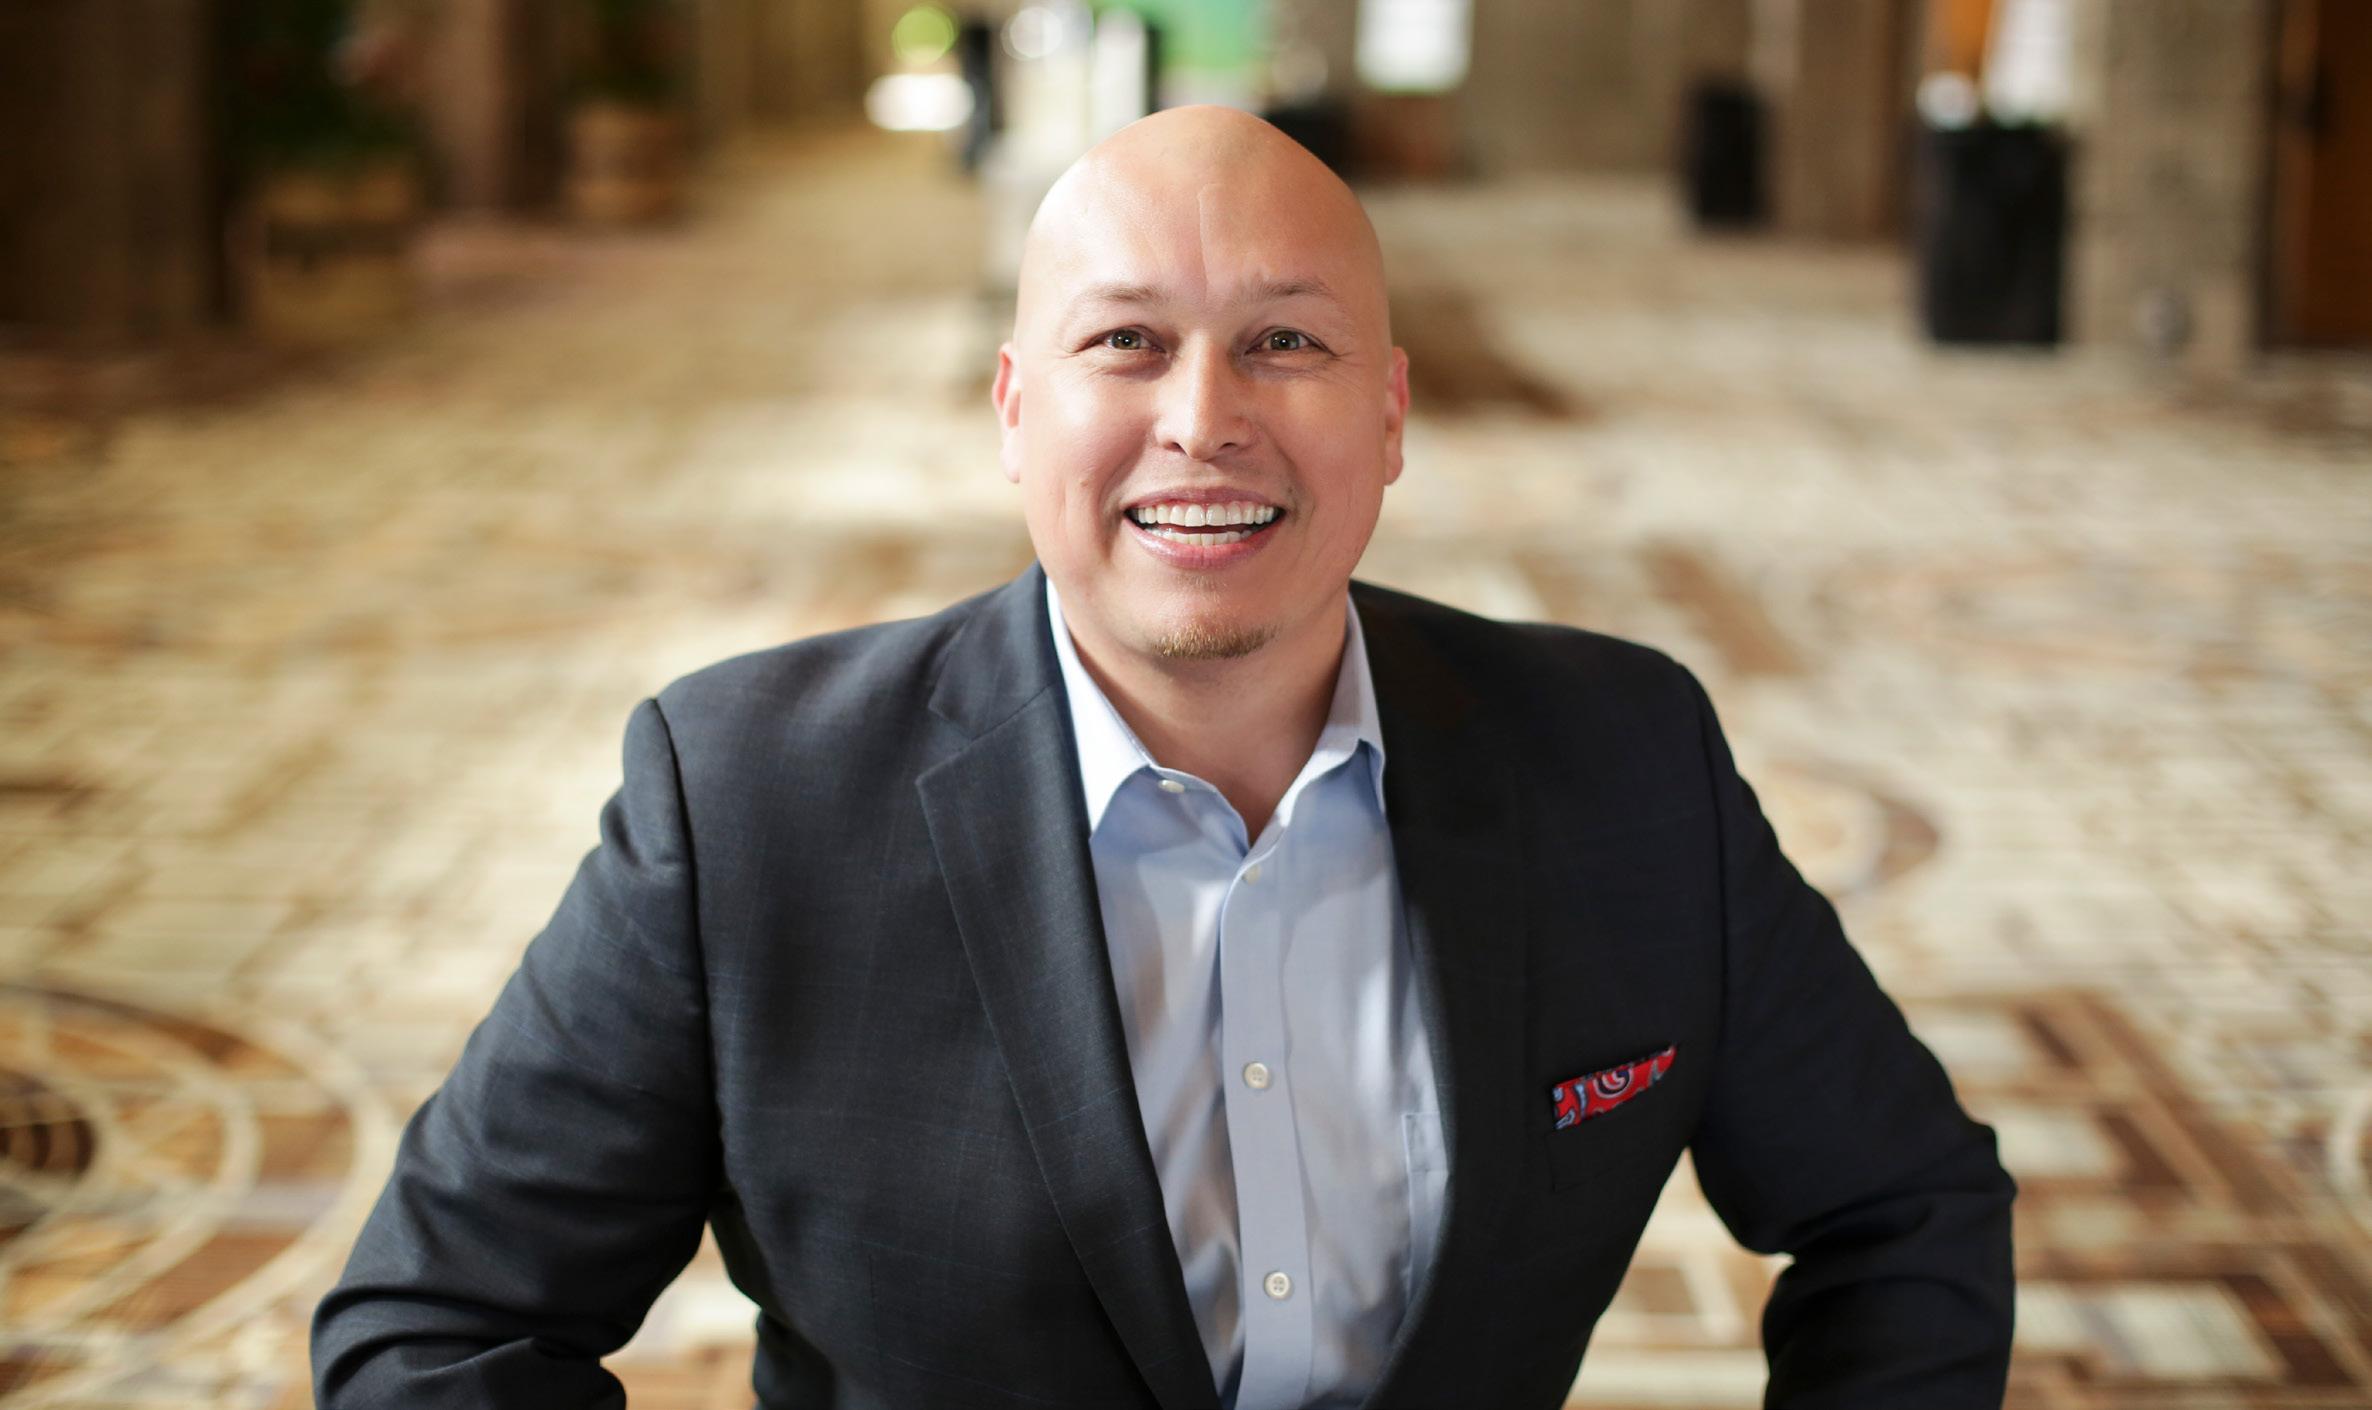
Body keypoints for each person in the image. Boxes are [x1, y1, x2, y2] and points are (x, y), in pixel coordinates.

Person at [313, 106, 2016, 1409]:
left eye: (1287, 339)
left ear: (1392, 414)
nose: (1206, 419)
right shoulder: (746, 801)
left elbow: (1908, 1207)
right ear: (1013, 410)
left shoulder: (1625, 761)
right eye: (1126, 341)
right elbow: (437, 1326)